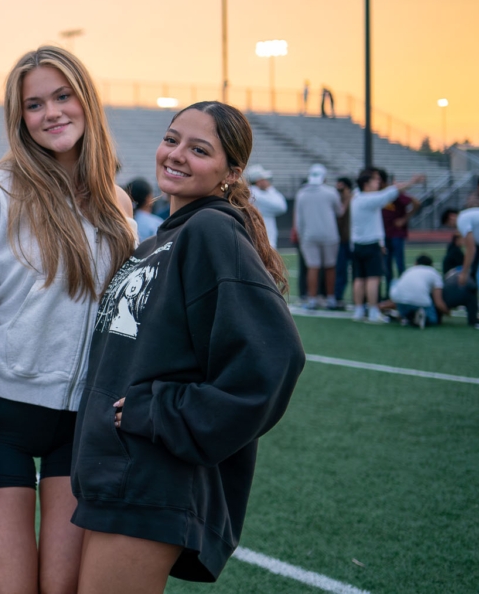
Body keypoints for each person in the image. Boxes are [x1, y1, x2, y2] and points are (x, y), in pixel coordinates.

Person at [71, 102, 304, 591]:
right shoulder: (160, 240)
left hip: (153, 477)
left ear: (230, 172)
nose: (176, 155)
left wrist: (158, 411)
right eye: (172, 139)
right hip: (115, 474)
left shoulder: (212, 230)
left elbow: (273, 359)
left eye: (199, 150)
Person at [0, 46, 137, 594]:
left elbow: (126, 315)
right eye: (34, 104)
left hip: (82, 423)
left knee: (63, 588)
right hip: (2, 419)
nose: (51, 112)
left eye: (62, 96)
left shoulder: (116, 204)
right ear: (19, 118)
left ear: (85, 101)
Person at [350, 168, 425, 323]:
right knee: (373, 279)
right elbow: (392, 192)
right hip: (371, 244)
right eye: (375, 180)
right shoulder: (370, 199)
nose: (378, 182)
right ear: (366, 184)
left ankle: (358, 310)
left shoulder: (356, 197)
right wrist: (412, 182)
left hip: (358, 244)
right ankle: (372, 311)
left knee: (359, 279)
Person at [294, 163, 344, 309]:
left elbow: (299, 220)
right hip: (330, 234)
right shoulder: (331, 192)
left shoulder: (301, 193)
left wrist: (301, 235)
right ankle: (330, 298)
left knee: (312, 267)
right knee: (330, 266)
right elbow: (339, 212)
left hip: (309, 235)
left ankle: (312, 299)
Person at [379, 169, 420, 298]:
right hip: (384, 233)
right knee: (387, 265)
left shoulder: (395, 194)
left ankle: (403, 291)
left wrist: (404, 219)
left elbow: (416, 203)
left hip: (396, 233)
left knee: (399, 264)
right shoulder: (380, 194)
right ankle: (390, 293)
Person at [382, 256, 446, 328]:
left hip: (399, 301)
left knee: (406, 308)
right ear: (431, 265)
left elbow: (398, 297)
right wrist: (447, 312)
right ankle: (420, 316)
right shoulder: (434, 273)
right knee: (433, 319)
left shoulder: (409, 270)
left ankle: (404, 316)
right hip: (418, 302)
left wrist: (381, 306)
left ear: (416, 263)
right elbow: (439, 302)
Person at [245, 164, 287, 248]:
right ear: (258, 181)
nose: (267, 182)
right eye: (264, 179)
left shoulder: (254, 193)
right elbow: (281, 206)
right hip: (264, 240)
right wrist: (269, 189)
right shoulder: (255, 193)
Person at [334, 177, 354, 306]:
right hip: (341, 239)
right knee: (341, 270)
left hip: (353, 239)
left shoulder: (354, 199)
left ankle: (359, 298)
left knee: (357, 271)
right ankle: (338, 296)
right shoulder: (337, 200)